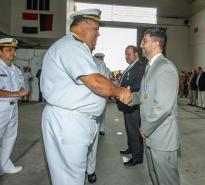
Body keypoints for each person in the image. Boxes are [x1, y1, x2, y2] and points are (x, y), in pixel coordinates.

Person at [40, 8, 132, 185]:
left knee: (74, 175)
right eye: (95, 29)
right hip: (68, 122)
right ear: (82, 26)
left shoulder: (75, 47)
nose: (98, 34)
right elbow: (95, 82)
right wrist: (120, 92)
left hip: (75, 121)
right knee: (70, 179)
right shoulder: (71, 46)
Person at [131, 28, 181, 185]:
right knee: (155, 177)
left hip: (162, 138)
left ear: (156, 43)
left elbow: (163, 107)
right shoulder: (150, 67)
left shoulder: (165, 68)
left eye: (144, 41)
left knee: (167, 180)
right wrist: (130, 97)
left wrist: (145, 129)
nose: (141, 45)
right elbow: (145, 95)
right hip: (153, 136)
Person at [0, 38, 29, 175]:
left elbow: (21, 85)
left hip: (13, 107)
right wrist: (16, 93)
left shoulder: (16, 70)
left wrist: (23, 90)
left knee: (10, 138)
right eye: (9, 50)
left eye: (14, 50)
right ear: (0, 52)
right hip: (1, 107)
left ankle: (4, 165)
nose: (13, 53)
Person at [116, 45, 145, 166]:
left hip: (133, 104)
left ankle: (137, 157)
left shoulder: (140, 66)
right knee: (129, 129)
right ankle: (131, 148)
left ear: (136, 54)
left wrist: (124, 89)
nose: (126, 56)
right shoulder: (131, 66)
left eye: (128, 54)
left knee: (134, 130)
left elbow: (139, 85)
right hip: (127, 104)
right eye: (125, 54)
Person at [86, 52, 110, 183]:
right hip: (74, 112)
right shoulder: (73, 57)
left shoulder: (100, 64)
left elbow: (105, 85)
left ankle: (90, 171)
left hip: (92, 111)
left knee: (92, 144)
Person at [93, 52, 110, 135]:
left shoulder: (107, 69)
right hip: (100, 94)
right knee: (100, 111)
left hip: (102, 94)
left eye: (101, 58)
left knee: (102, 111)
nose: (101, 59)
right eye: (99, 57)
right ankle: (99, 128)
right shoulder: (101, 65)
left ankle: (101, 128)